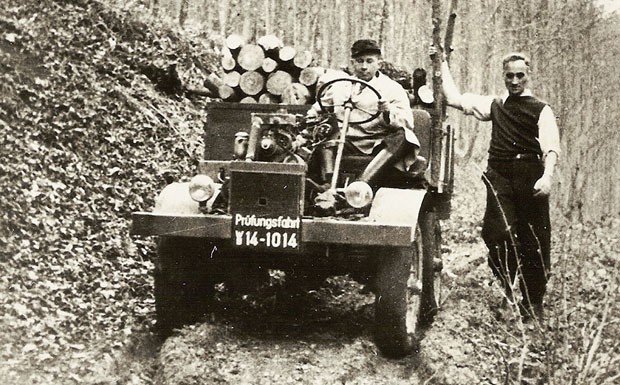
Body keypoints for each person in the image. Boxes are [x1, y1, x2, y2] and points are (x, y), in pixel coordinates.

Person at [436, 49, 561, 321]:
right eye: (509, 76)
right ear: (503, 77)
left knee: (535, 240)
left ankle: (532, 303)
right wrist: (442, 62)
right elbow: (454, 98)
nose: (514, 81)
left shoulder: (541, 109)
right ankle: (506, 291)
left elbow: (551, 148)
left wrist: (547, 176)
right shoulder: (496, 105)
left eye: (520, 76)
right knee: (497, 233)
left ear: (529, 76)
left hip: (531, 176)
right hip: (500, 175)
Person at [307, 39, 422, 190]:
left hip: (376, 143)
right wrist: (311, 115)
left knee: (404, 136)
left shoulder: (392, 88)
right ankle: (327, 183)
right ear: (352, 63)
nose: (364, 67)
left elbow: (407, 122)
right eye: (359, 61)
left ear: (378, 63)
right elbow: (321, 106)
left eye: (369, 61)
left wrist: (388, 111)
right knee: (324, 128)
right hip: (346, 141)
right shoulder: (340, 85)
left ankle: (361, 185)